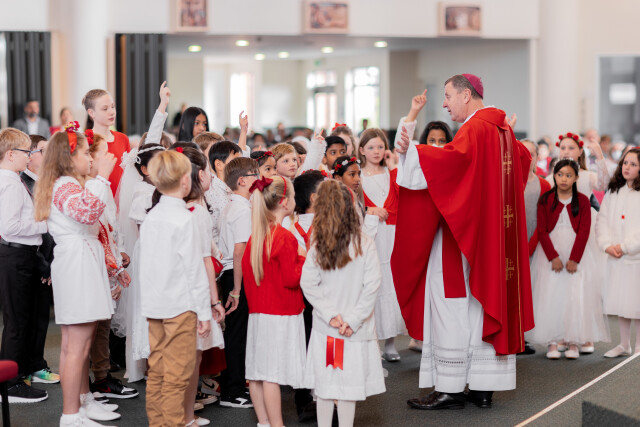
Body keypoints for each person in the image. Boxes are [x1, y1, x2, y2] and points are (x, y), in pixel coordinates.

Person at [393, 76, 534, 410]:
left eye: (448, 96)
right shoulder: (502, 128)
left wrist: (413, 151)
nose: (444, 103)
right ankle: (484, 386)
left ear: (466, 95)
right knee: (480, 307)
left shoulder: (475, 128)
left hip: (462, 238)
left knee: (450, 303)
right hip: (493, 239)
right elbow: (522, 163)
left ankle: (450, 387)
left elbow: (448, 166)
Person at [33, 125, 117, 425]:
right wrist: (103, 178)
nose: (91, 158)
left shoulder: (67, 183)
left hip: (80, 260)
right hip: (77, 263)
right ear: (70, 157)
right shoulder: (66, 185)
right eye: (85, 153)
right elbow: (87, 213)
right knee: (76, 347)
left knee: (79, 344)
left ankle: (82, 403)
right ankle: (70, 414)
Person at [301, 180, 385, 427]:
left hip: (330, 331)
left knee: (327, 385)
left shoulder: (318, 244)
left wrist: (331, 316)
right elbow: (372, 286)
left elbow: (309, 284)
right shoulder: (364, 243)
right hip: (352, 330)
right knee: (348, 387)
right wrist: (352, 320)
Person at [139, 150, 212, 426]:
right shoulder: (184, 218)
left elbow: (146, 264)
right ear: (185, 180)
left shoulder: (152, 216)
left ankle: (158, 423)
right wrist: (204, 312)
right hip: (180, 306)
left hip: (155, 305)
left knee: (157, 371)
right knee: (178, 376)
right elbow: (194, 270)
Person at [242, 175, 307, 427]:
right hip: (280, 313)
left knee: (257, 373)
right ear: (284, 202)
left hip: (259, 314)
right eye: (292, 196)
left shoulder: (257, 236)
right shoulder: (284, 237)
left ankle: (264, 422)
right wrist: (303, 257)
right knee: (272, 375)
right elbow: (292, 279)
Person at [528, 159, 609, 359]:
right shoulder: (546, 200)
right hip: (550, 253)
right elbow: (542, 231)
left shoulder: (582, 201)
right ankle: (552, 343)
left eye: (569, 175)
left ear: (576, 178)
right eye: (560, 174)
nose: (564, 179)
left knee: (574, 295)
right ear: (554, 176)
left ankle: (573, 341)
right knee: (551, 294)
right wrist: (553, 257)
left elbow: (584, 231)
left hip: (576, 252)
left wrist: (574, 258)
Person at [0, 129, 50, 404]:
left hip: (21, 255)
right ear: (10, 154)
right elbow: (10, 227)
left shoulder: (12, 179)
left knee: (20, 320)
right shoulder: (8, 183)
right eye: (25, 151)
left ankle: (16, 377)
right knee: (16, 323)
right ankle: (10, 385)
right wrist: (44, 224)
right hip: (15, 255)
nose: (29, 155)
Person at [177, 147, 225, 427]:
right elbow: (205, 260)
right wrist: (214, 301)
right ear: (199, 175)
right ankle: (185, 416)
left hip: (182, 289)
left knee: (188, 356)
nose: (210, 176)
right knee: (191, 357)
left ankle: (185, 413)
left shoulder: (183, 207)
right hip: (194, 291)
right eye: (207, 170)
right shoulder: (197, 210)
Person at [358, 128, 405, 361]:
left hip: (391, 233)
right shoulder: (358, 176)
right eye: (371, 147)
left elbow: (401, 195)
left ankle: (391, 342)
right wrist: (370, 210)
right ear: (361, 150)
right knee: (372, 283)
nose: (376, 151)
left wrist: (394, 167)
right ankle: (373, 341)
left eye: (379, 147)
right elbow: (355, 203)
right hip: (370, 233)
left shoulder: (390, 172)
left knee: (391, 284)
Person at [17, 134, 60, 383]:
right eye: (42, 151)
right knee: (25, 319)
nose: (47, 156)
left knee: (41, 317)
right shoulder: (22, 183)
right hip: (31, 259)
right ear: (29, 156)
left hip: (47, 258)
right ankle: (22, 369)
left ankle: (36, 364)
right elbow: (32, 227)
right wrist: (43, 264)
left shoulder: (47, 182)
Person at [217, 157, 259, 408]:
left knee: (236, 331)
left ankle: (234, 384)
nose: (259, 179)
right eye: (255, 174)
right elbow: (239, 251)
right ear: (242, 181)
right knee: (237, 333)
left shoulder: (233, 205)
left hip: (233, 273)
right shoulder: (242, 209)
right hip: (236, 274)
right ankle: (232, 390)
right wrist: (236, 289)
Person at [596, 148, 640, 357]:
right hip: (616, 256)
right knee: (622, 302)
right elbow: (602, 220)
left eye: (633, 164)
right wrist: (607, 245)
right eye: (625, 163)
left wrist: (625, 247)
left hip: (634, 257)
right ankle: (624, 344)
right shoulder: (614, 192)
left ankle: (638, 346)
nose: (627, 167)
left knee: (636, 303)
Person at [83, 89, 131, 195]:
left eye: (112, 107)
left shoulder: (123, 138)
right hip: (98, 196)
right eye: (105, 109)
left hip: (123, 197)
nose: (111, 112)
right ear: (91, 113)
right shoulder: (85, 141)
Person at [206, 141, 242, 244]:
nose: (241, 166)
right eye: (235, 162)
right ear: (219, 165)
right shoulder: (212, 192)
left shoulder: (233, 188)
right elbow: (213, 230)